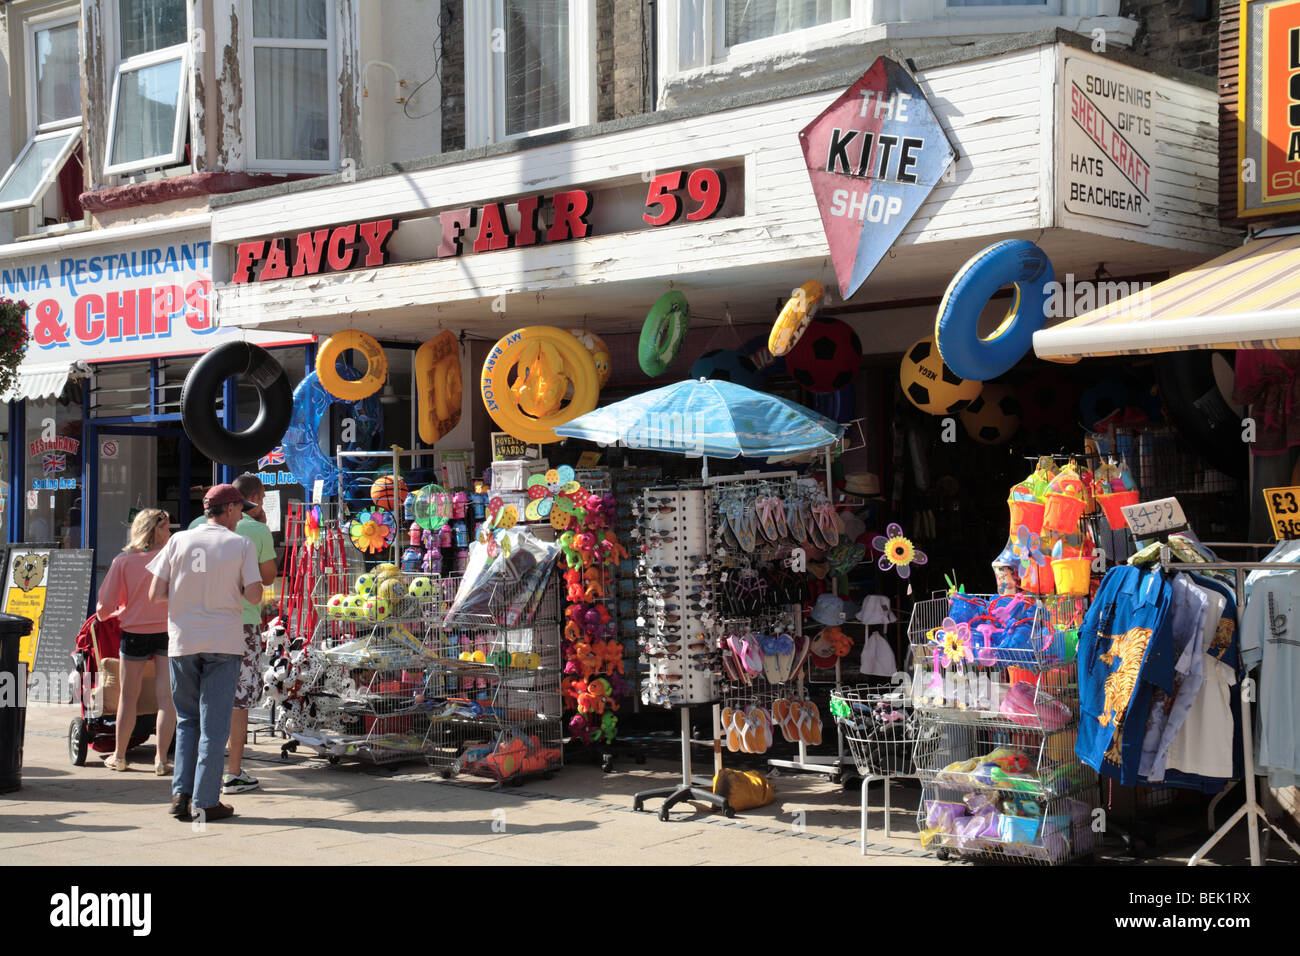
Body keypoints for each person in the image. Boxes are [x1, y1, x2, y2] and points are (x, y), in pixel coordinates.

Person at [149, 484, 263, 822]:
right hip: (223, 643)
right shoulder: (240, 544)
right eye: (239, 510)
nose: (242, 514)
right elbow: (255, 596)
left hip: (183, 641)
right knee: (214, 725)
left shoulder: (179, 540)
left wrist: (189, 591)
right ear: (227, 510)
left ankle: (180, 795)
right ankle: (205, 801)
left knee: (187, 720)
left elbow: (156, 593)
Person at [189, 473, 277, 794]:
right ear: (243, 502)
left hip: (200, 621)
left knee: (204, 698)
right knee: (238, 700)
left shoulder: (194, 527)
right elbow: (266, 580)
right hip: (243, 621)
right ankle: (234, 772)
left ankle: (197, 775)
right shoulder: (254, 531)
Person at [95, 508, 176, 774]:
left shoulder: (123, 561)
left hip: (134, 633)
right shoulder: (172, 559)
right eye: (166, 527)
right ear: (154, 530)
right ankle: (161, 759)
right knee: (167, 698)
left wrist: (115, 611)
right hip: (167, 631)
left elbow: (104, 607)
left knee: (128, 697)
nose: (170, 532)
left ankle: (119, 755)